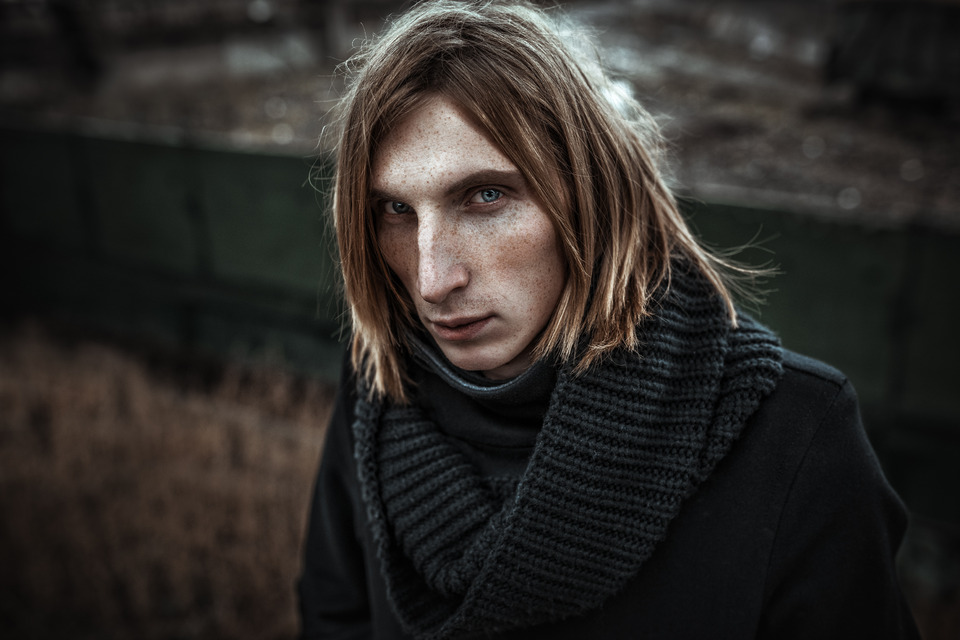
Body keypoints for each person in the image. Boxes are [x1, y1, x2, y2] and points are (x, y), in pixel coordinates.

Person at [298, 1, 920, 638]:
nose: (433, 280)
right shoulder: (380, 391)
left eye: (486, 196)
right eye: (397, 210)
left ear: (594, 192)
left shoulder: (794, 434)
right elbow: (333, 616)